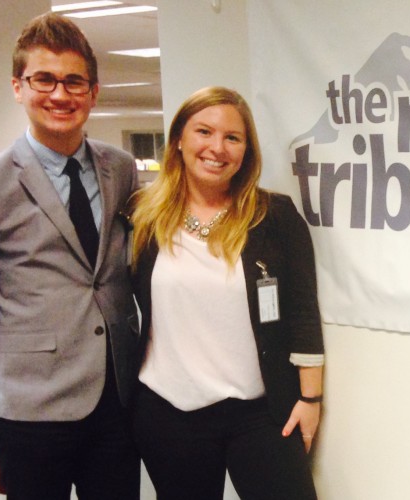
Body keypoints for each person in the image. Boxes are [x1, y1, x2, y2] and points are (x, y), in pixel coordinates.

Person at [0, 12, 141, 499]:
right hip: (28, 409)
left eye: (74, 81)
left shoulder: (122, 168)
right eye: (43, 79)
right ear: (18, 87)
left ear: (93, 91)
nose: (60, 95)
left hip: (116, 400)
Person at [128, 86, 324, 500]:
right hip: (168, 413)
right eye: (204, 131)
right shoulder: (145, 216)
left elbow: (302, 314)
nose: (217, 147)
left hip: (259, 413)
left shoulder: (275, 216)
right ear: (179, 139)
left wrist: (311, 397)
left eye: (232, 138)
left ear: (246, 151)